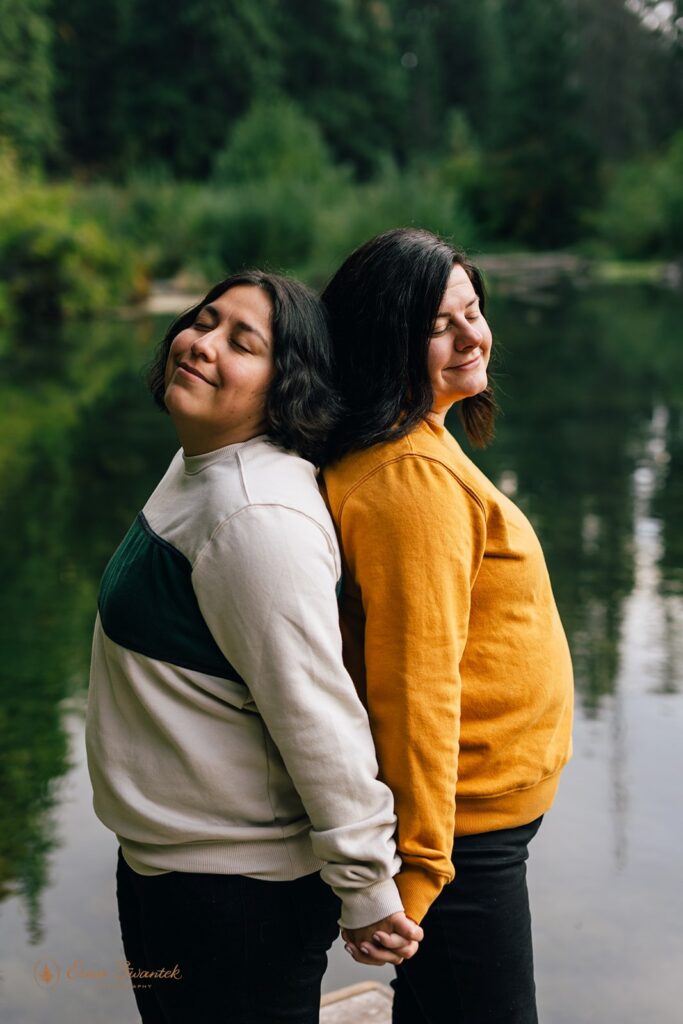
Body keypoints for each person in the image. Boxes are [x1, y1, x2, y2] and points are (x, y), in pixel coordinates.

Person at [85, 269, 422, 1024]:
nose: (201, 345)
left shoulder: (255, 520)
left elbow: (318, 718)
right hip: (170, 864)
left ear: (285, 389)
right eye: (204, 321)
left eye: (241, 343)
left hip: (235, 895)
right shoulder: (199, 464)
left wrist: (366, 891)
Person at [320, 229, 574, 1023]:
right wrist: (420, 875)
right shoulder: (407, 482)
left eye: (473, 311)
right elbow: (414, 688)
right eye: (438, 325)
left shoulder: (415, 439)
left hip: (477, 820)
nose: (472, 336)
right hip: (464, 834)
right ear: (384, 340)